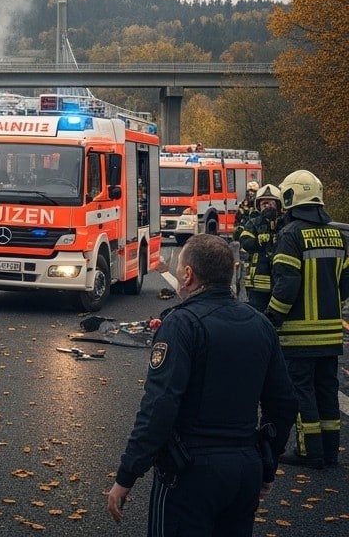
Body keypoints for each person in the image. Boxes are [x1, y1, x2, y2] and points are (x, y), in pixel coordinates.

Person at [106, 233, 296, 535]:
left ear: (188, 274)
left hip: (190, 471)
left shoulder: (182, 324)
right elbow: (284, 403)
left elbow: (159, 406)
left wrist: (127, 475)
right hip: (245, 467)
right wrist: (266, 466)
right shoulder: (260, 324)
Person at [267, 169, 349, 468]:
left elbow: (286, 284)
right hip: (330, 333)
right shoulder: (337, 235)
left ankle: (308, 451)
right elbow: (345, 282)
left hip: (299, 335)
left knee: (301, 393)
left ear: (290, 197)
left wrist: (272, 317)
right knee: (326, 391)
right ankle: (329, 452)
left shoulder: (291, 235)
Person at [234, 183, 282, 310]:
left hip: (280, 280)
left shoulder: (284, 222)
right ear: (258, 206)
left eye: (270, 203)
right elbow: (245, 240)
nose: (267, 206)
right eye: (263, 204)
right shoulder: (253, 222)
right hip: (258, 282)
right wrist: (258, 241)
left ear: (278, 204)